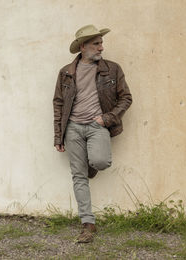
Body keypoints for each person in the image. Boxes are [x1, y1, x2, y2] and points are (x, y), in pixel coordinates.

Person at [52, 24, 132, 243]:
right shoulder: (66, 72)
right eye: (96, 44)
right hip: (73, 128)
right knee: (78, 176)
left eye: (101, 43)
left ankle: (90, 165)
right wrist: (58, 136)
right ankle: (88, 224)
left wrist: (106, 118)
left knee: (101, 161)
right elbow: (59, 104)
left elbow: (126, 98)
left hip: (98, 125)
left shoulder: (112, 69)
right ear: (83, 46)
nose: (101, 48)